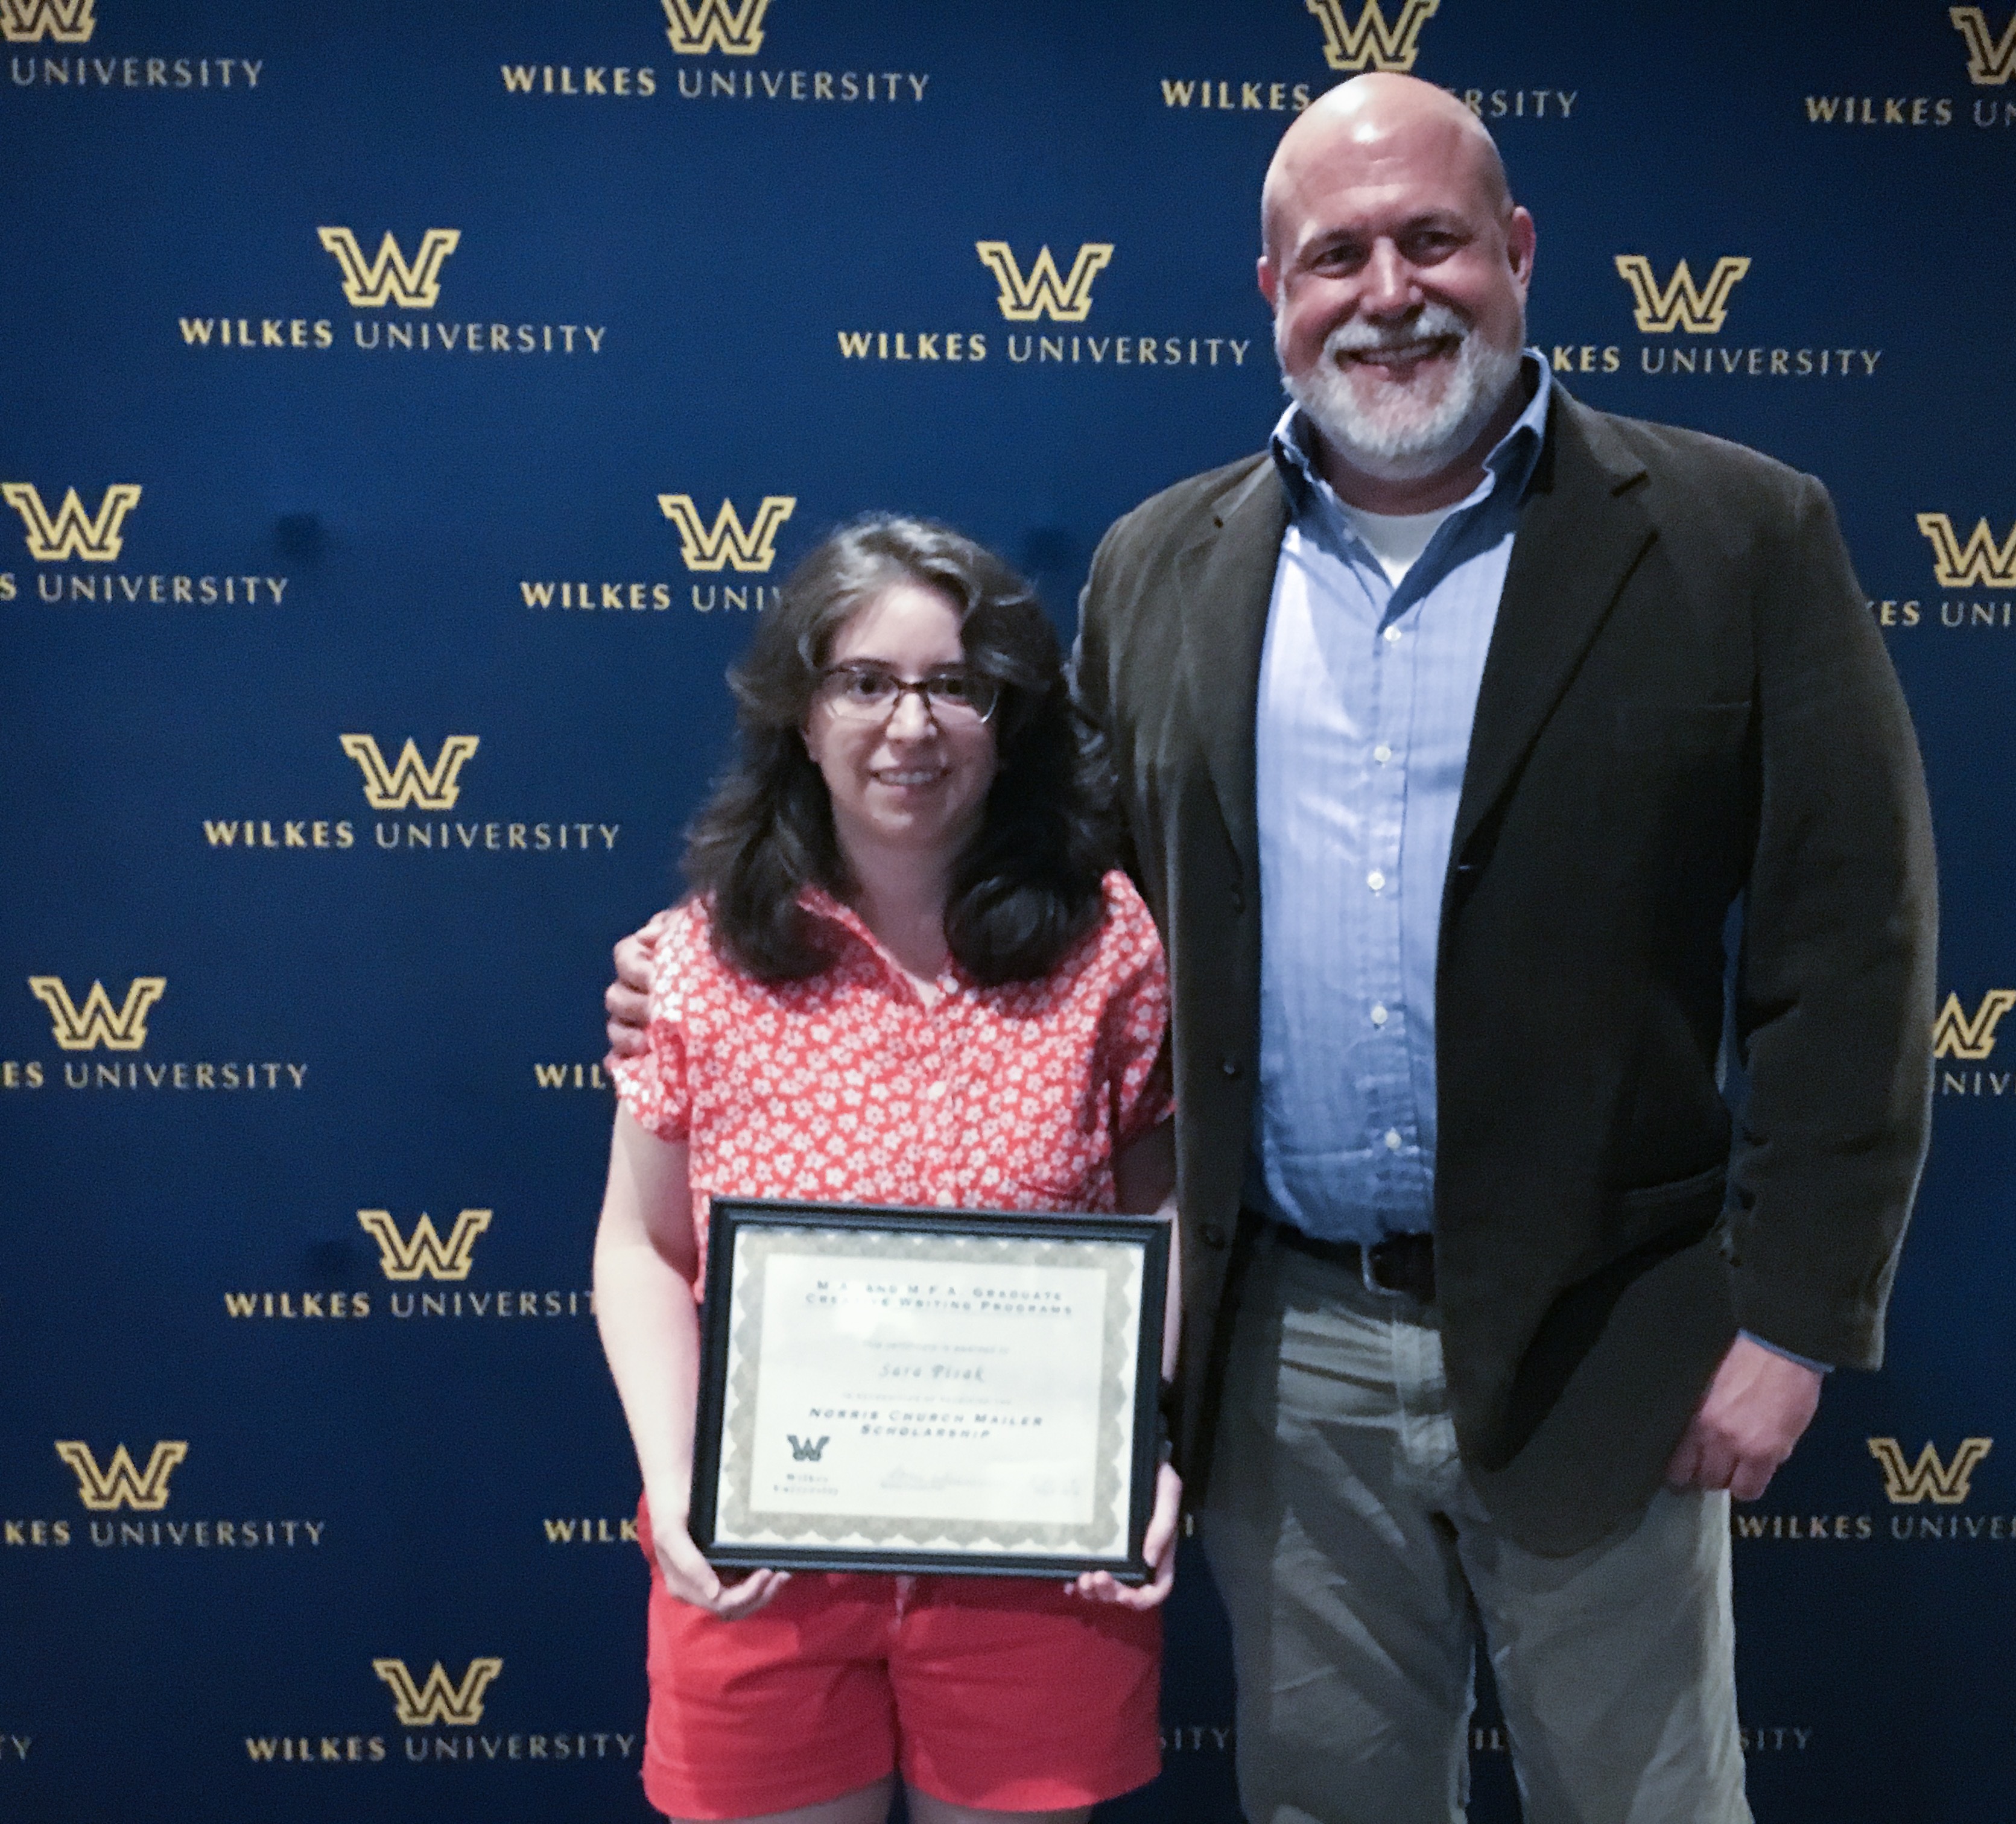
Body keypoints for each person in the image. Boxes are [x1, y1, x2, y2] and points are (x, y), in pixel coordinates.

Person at [614, 74, 1935, 1824]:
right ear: (1272, 292)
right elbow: (1062, 901)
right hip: (1283, 1353)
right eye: (1335, 256)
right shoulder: (1162, 566)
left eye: (1432, 241)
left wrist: (1794, 1323)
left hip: (1611, 1338)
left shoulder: (1736, 535)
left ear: (1519, 251)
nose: (1387, 293)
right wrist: (737, 953)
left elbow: (1855, 943)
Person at [592, 515, 1184, 1824]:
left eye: (955, 686)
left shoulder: (1109, 945)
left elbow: (1155, 1206)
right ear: (801, 717)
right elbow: (642, 1245)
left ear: (1007, 719)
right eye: (865, 682)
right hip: (763, 1563)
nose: (910, 726)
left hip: (1039, 1566)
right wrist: (678, 1487)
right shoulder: (694, 961)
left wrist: (1138, 1439)